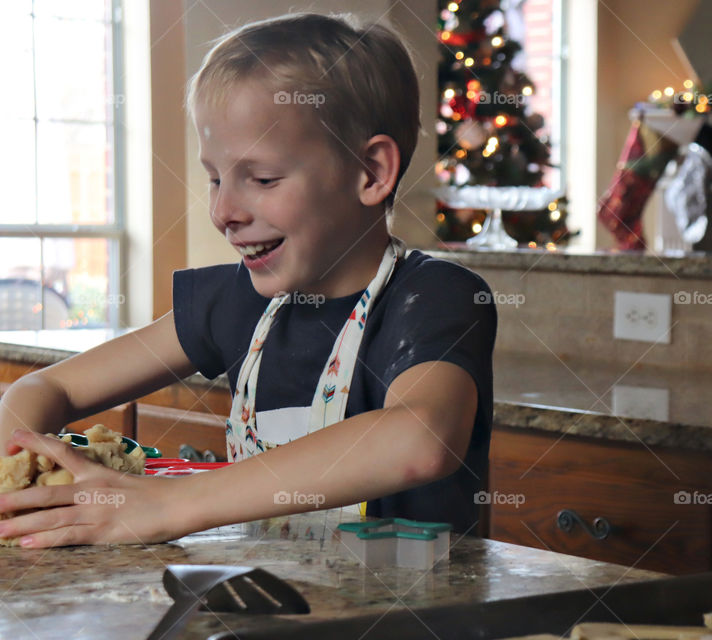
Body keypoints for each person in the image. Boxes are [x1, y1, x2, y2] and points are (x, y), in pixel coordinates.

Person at [0, 13, 496, 548]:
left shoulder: (432, 297)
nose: (223, 211)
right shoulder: (232, 302)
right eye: (215, 178)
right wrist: (15, 470)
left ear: (371, 171)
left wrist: (168, 507)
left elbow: (419, 439)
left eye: (261, 179)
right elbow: (44, 386)